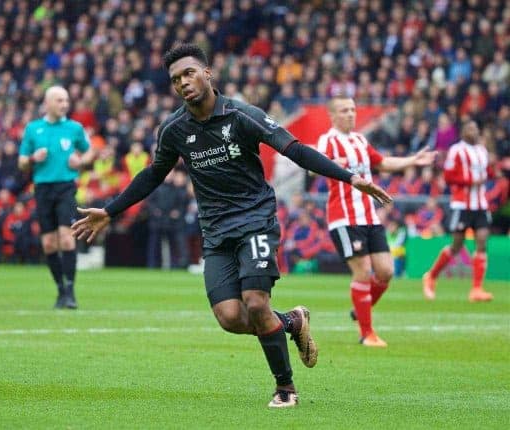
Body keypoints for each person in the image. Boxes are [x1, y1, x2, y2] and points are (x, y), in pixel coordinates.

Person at [71, 44, 392, 408]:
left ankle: (285, 388)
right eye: (176, 79)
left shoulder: (241, 114)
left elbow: (295, 150)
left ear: (207, 73)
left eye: (189, 73)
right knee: (229, 316)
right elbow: (153, 174)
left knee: (256, 303)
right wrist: (111, 211)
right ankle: (292, 322)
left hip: (255, 220)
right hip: (216, 232)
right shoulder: (175, 129)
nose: (183, 83)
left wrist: (350, 177)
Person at [317, 95, 436, 347]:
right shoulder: (328, 141)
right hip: (345, 218)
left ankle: (361, 308)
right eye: (344, 110)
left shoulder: (360, 140)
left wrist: (412, 160)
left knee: (386, 271)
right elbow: (312, 166)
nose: (350, 114)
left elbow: (381, 163)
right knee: (362, 272)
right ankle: (366, 334)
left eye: (352, 109)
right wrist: (328, 163)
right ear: (333, 115)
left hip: (369, 215)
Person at [18, 86, 94, 309]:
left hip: (66, 187)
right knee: (49, 244)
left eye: (66, 100)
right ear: (48, 103)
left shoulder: (74, 128)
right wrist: (32, 158)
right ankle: (60, 291)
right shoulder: (33, 129)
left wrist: (80, 161)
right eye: (60, 100)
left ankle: (70, 291)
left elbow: (89, 152)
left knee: (67, 237)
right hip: (42, 189)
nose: (64, 104)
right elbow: (21, 162)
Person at [422, 121, 494, 302]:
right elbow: (448, 176)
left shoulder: (482, 151)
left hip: (480, 204)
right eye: (470, 129)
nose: (474, 132)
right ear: (463, 132)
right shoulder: (456, 151)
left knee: (482, 240)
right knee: (457, 244)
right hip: (462, 204)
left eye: (476, 129)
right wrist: (470, 182)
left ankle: (476, 289)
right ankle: (431, 275)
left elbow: (487, 173)